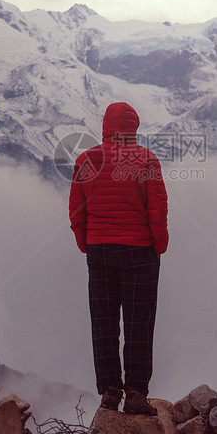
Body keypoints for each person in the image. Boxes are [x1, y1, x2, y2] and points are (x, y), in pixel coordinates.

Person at [68, 102, 169, 415]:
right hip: (139, 251)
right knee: (139, 323)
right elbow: (158, 209)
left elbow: (76, 211)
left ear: (106, 126)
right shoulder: (146, 159)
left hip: (99, 250)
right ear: (133, 128)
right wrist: (158, 245)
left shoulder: (86, 159)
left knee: (104, 323)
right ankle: (136, 395)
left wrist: (87, 244)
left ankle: (110, 392)